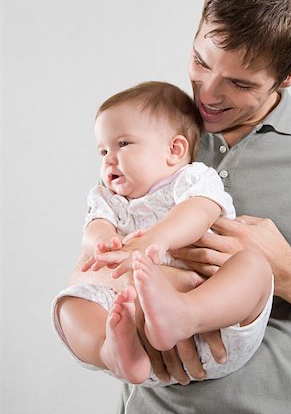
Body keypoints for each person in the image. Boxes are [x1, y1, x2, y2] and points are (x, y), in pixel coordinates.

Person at [55, 0, 291, 414]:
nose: (207, 93)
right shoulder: (152, 134)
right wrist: (101, 258)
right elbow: (100, 244)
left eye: (239, 83)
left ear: (289, 76)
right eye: (200, 61)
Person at [52, 81, 272, 387]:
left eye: (123, 144)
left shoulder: (192, 178)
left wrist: (153, 240)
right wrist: (103, 241)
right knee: (69, 305)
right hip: (143, 348)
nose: (108, 159)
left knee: (254, 266)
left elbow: (199, 212)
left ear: (174, 150)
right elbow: (94, 227)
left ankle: (186, 312)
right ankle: (111, 351)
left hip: (217, 328)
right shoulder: (107, 198)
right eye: (103, 150)